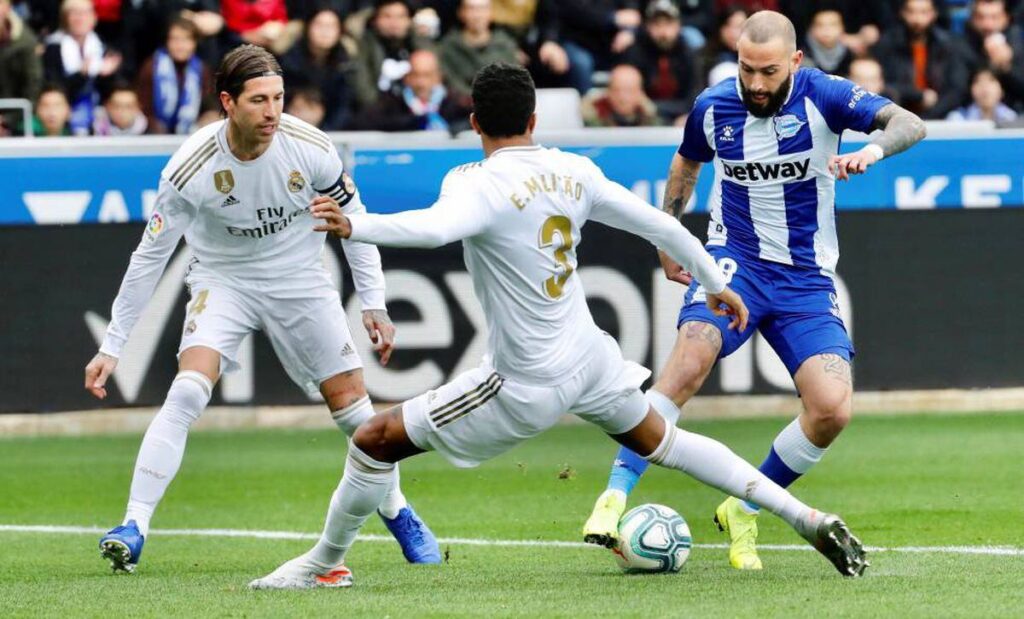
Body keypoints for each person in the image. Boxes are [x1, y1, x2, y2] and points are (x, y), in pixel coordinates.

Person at [248, 61, 870, 591]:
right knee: (668, 442)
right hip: (591, 356)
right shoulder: (576, 170)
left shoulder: (476, 183)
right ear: (535, 120)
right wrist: (715, 282)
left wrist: (358, 225)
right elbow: (662, 226)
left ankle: (324, 565)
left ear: (472, 124)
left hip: (524, 381)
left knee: (373, 441)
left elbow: (433, 230)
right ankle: (802, 514)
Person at [583, 10, 925, 573]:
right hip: (732, 262)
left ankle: (744, 507)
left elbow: (910, 123)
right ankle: (613, 496)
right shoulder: (714, 104)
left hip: (804, 277)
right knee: (690, 356)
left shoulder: (827, 95)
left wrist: (873, 150)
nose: (757, 84)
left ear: (794, 60)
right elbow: (686, 164)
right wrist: (668, 234)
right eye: (747, 69)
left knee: (832, 409)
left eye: (768, 71)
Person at [86, 44, 440, 575]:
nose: (273, 112)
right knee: (186, 389)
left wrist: (374, 302)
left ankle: (398, 510)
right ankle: (133, 525)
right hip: (222, 278)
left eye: (278, 98)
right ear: (228, 102)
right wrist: (114, 345)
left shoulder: (310, 148)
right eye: (258, 100)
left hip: (300, 277)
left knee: (355, 412)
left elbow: (354, 221)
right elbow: (150, 258)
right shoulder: (190, 168)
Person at [872, 0, 969, 119]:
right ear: (902, 13)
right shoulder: (887, 45)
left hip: (940, 113)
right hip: (898, 112)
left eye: (923, 12)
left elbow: (956, 90)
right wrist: (918, 95)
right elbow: (883, 85)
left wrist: (929, 116)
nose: (917, 19)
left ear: (934, 13)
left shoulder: (948, 45)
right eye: (911, 12)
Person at [42, 0, 121, 135]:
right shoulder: (53, 48)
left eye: (85, 13)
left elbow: (110, 89)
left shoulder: (104, 47)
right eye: (74, 13)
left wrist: (108, 75)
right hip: (66, 113)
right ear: (65, 18)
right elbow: (54, 87)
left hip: (99, 113)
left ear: (94, 18)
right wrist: (82, 74)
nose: (80, 18)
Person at [350, 48, 471, 133]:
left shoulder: (457, 103)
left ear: (438, 77)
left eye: (427, 75)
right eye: (415, 75)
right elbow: (362, 123)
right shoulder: (391, 103)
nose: (421, 82)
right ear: (407, 77)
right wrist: (412, 123)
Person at [620, 0, 700, 125]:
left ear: (678, 25)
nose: (663, 32)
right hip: (641, 119)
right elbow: (629, 97)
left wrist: (655, 107)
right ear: (647, 27)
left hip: (679, 117)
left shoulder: (688, 53)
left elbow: (695, 97)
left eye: (668, 24)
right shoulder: (635, 52)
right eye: (657, 25)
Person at [280, 8, 356, 131]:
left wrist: (325, 131)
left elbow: (345, 106)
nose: (325, 31)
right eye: (319, 25)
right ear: (307, 28)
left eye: (331, 26)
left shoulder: (346, 64)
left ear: (340, 32)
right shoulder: (288, 61)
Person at [137, 16, 209, 135]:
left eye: (186, 40)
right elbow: (143, 107)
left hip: (191, 131)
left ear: (195, 43)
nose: (180, 45)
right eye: (175, 39)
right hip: (155, 132)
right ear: (167, 41)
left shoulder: (202, 70)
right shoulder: (151, 67)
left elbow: (208, 105)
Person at [438, 0, 520, 99]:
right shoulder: (448, 47)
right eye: (471, 9)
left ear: (491, 13)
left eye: (482, 9)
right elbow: (451, 82)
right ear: (461, 13)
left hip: (500, 106)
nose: (477, 16)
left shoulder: (506, 45)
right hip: (460, 108)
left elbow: (513, 80)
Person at [963, 0, 1024, 111]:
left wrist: (1006, 67)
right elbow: (957, 91)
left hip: (1014, 116)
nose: (987, 24)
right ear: (972, 19)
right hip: (969, 117)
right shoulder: (961, 46)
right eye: (981, 17)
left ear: (1006, 18)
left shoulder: (1017, 45)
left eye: (994, 17)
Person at [581, 64, 661, 127]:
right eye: (616, 90)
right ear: (608, 92)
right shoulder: (594, 117)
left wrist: (650, 112)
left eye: (629, 91)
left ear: (640, 93)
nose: (622, 97)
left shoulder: (650, 119)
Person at [947, 67, 1019, 122]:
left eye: (991, 81)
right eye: (978, 82)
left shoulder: (1013, 119)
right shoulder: (957, 119)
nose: (984, 87)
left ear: (1002, 90)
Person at [801, 8, 854, 76]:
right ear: (811, 29)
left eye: (833, 24)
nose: (826, 29)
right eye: (820, 25)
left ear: (842, 28)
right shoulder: (802, 55)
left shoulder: (850, 54)